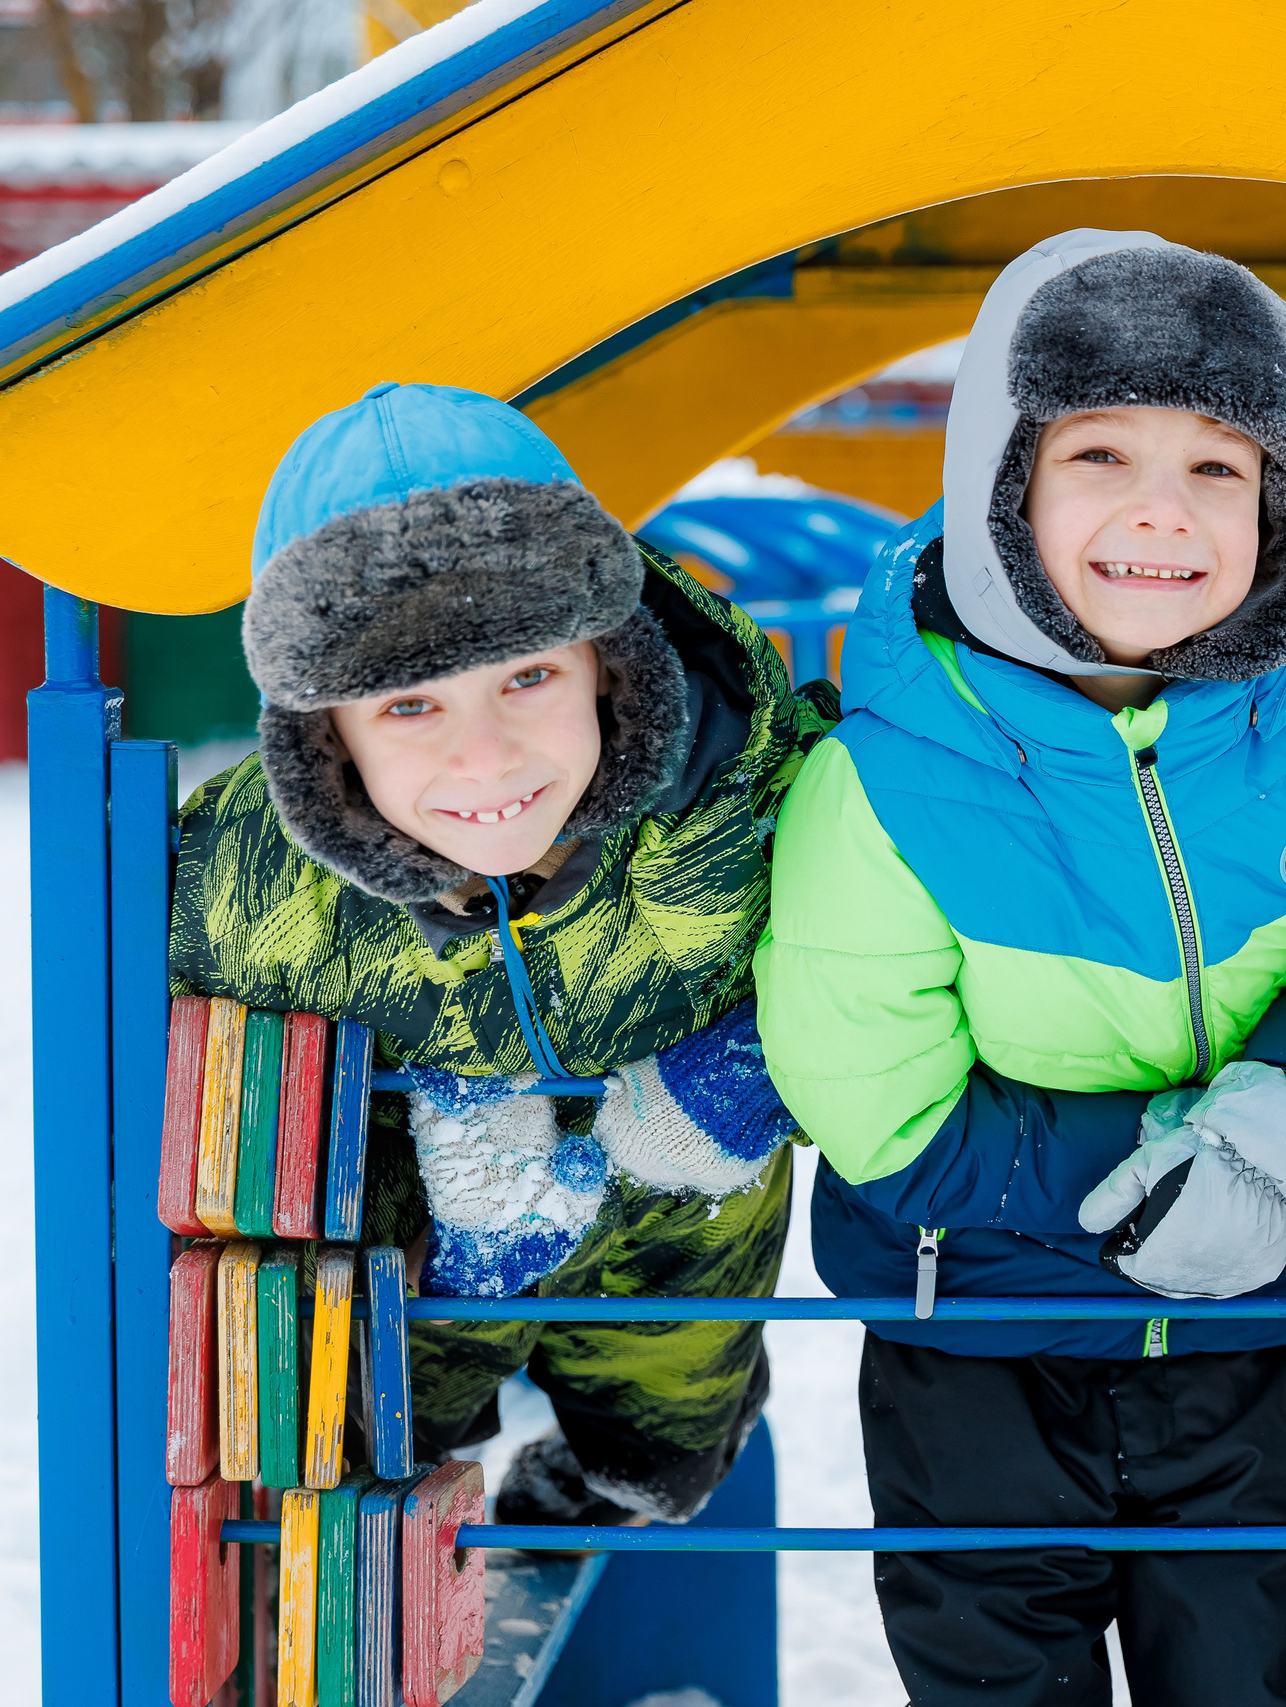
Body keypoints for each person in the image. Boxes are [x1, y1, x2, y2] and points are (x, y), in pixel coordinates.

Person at [754, 229, 1286, 1706]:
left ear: (1279, 504)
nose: (1163, 510)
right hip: (969, 1335)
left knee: (1250, 1672)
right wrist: (1163, 1164)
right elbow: (875, 1097)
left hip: (1242, 1335)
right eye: (1101, 454)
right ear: (1002, 481)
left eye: (1219, 466)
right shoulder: (888, 778)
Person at [170, 382, 823, 1526]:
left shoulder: (745, 794)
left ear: (611, 666)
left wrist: (751, 1073)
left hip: (687, 1223)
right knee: (377, 1426)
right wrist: (461, 1244)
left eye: (528, 677)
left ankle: (591, 1495)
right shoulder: (251, 882)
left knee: (667, 1441)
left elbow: (915, 941)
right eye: (409, 708)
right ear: (329, 738)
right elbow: (151, 1081)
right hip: (421, 1249)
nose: (485, 757)